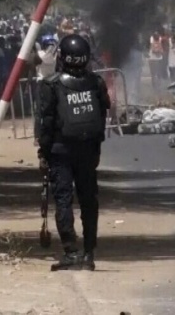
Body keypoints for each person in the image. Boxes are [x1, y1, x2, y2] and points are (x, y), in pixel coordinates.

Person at [37, 34, 111, 271]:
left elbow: (46, 123)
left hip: (60, 152)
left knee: (63, 200)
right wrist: (96, 149)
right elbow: (101, 119)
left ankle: (71, 251)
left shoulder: (51, 85)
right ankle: (89, 253)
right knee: (89, 201)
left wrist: (43, 152)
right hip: (88, 151)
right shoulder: (96, 83)